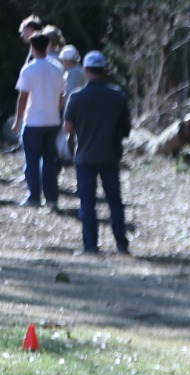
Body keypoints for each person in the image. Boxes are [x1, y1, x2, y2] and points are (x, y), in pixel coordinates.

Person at [63, 51, 132, 255]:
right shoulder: (118, 96)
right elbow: (127, 127)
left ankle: (90, 246)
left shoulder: (76, 97)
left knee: (87, 202)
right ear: (105, 70)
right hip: (110, 155)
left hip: (84, 156)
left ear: (85, 70)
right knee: (115, 201)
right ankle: (121, 244)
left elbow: (68, 127)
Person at [14, 32, 65, 209]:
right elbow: (61, 96)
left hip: (33, 121)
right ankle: (51, 199)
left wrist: (17, 121)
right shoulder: (57, 68)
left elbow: (23, 98)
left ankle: (34, 197)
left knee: (32, 161)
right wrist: (55, 113)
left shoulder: (29, 69)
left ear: (32, 47)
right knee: (49, 160)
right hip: (52, 121)